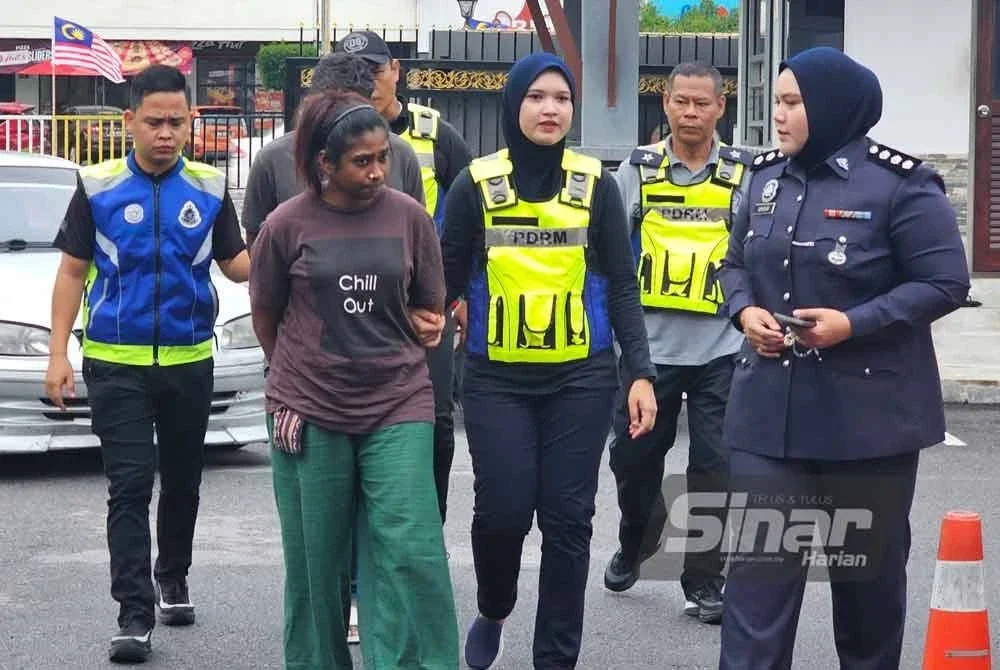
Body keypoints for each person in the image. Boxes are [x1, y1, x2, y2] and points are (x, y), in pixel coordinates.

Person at [717, 47, 970, 669]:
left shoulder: (899, 183)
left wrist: (854, 323)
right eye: (776, 100)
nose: (778, 115)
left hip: (867, 425)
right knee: (754, 596)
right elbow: (731, 265)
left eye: (792, 102)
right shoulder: (763, 175)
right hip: (767, 420)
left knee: (867, 599)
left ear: (831, 106)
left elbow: (945, 282)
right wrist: (745, 313)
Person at [441, 52, 658, 670]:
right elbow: (444, 280)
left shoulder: (596, 185)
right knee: (503, 513)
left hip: (581, 378)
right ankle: (494, 605)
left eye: (561, 98)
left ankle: (555, 659)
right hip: (494, 379)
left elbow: (621, 286)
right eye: (536, 97)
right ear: (515, 105)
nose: (550, 109)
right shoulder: (476, 184)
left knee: (569, 521)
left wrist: (638, 371)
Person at [44, 64, 250, 664]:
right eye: (154, 122)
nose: (166, 133)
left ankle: (173, 578)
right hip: (116, 364)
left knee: (184, 481)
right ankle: (133, 615)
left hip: (190, 361)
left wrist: (293, 241)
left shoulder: (210, 189)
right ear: (129, 120)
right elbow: (71, 273)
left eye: (177, 122)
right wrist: (58, 354)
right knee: (130, 486)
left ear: (192, 122)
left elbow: (237, 265)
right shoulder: (98, 186)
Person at [248, 89, 459, 670]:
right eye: (361, 161)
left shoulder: (408, 217)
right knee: (319, 563)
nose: (376, 172)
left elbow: (428, 304)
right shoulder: (285, 225)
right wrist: (296, 375)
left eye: (381, 158)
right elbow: (265, 311)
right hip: (309, 410)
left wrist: (430, 323)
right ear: (324, 163)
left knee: (410, 550)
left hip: (397, 400)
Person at [603, 62, 749, 625]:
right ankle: (637, 538)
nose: (691, 113)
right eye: (681, 102)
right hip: (648, 353)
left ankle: (704, 580)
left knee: (716, 466)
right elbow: (613, 262)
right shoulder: (636, 173)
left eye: (702, 103)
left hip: (721, 349)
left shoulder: (744, 173)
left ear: (720, 108)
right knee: (634, 462)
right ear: (665, 104)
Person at [334, 30, 474, 524]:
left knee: (434, 421)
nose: (369, 81)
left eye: (376, 70)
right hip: (352, 303)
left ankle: (425, 533)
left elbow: (472, 212)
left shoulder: (435, 132)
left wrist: (461, 293)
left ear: (396, 71)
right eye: (358, 72)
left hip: (424, 301)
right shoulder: (330, 136)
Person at [241, 51, 425, 249]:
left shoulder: (401, 155)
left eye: (348, 110)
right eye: (330, 109)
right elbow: (258, 247)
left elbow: (418, 239)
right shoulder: (272, 160)